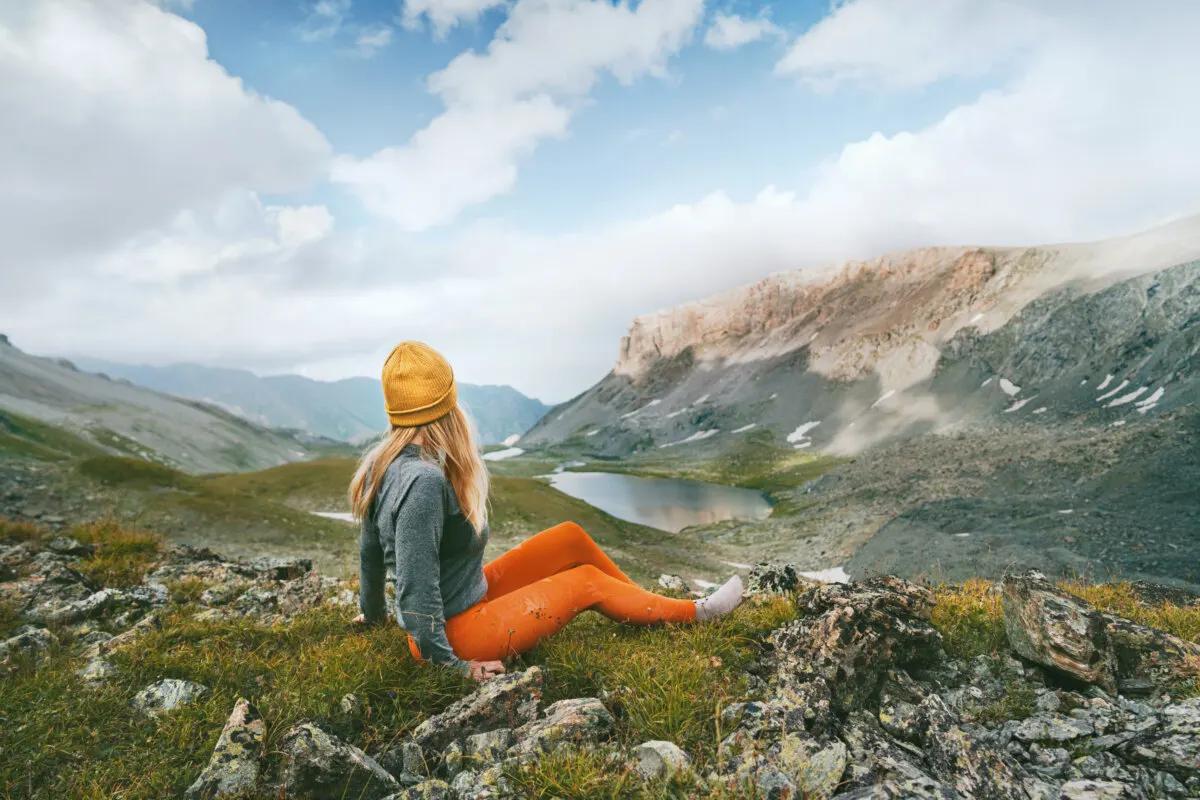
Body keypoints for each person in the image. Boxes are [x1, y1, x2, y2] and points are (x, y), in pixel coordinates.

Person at [351, 341, 745, 682]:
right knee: (586, 582)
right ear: (446, 406)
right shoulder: (423, 482)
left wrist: (372, 617)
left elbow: (369, 556)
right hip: (455, 635)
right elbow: (416, 590)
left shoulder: (380, 466)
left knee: (570, 536)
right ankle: (697, 615)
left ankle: (645, 605)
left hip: (464, 602)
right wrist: (452, 666)